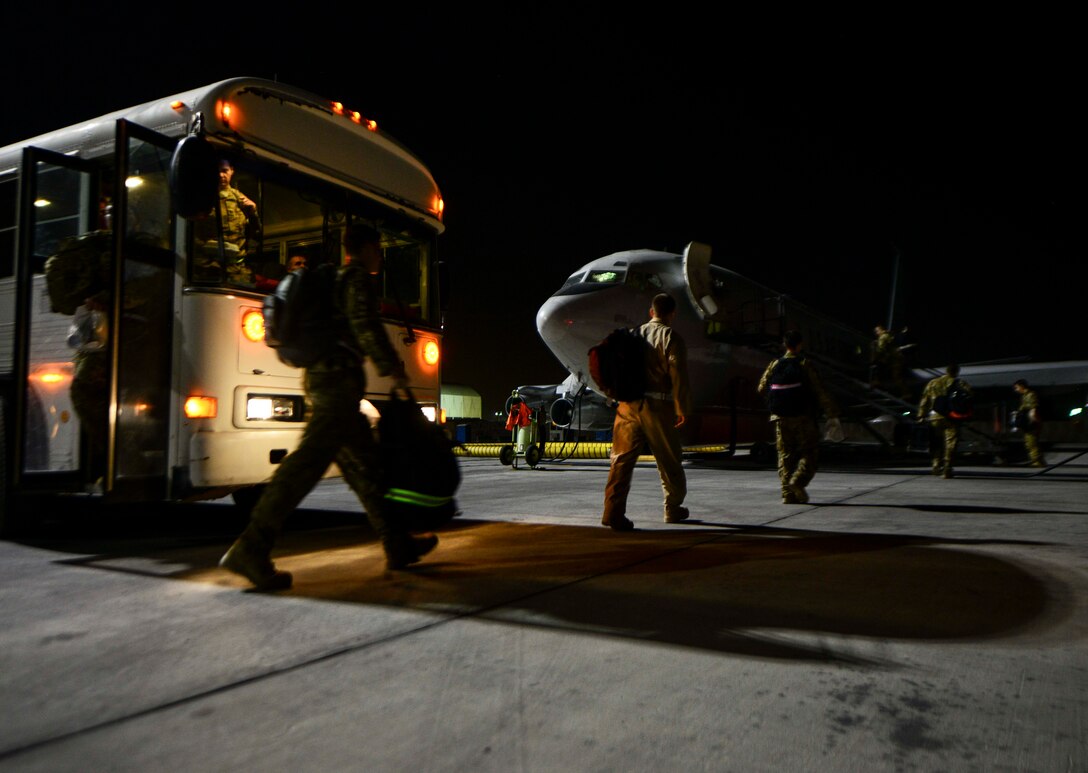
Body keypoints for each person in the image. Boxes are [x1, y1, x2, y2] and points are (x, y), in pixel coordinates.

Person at [220, 224, 437, 590]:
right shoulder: (355, 279)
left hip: (331, 383)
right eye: (378, 250)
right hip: (336, 384)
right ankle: (251, 547)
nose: (380, 257)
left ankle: (397, 542)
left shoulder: (334, 279)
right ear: (366, 249)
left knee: (367, 470)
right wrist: (393, 370)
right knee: (305, 467)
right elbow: (365, 325)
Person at [601, 293, 692, 530]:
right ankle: (672, 508)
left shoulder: (633, 334)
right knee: (669, 460)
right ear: (672, 314)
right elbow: (678, 375)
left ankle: (612, 512)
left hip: (627, 406)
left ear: (651, 312)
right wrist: (681, 407)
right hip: (657, 406)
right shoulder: (671, 337)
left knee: (620, 461)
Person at [758, 330, 840, 504]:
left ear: (784, 344)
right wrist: (831, 413)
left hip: (780, 417)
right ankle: (798, 481)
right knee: (810, 452)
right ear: (800, 345)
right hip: (803, 416)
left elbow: (761, 388)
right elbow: (820, 391)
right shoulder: (804, 364)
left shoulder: (775, 364)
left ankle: (787, 495)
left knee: (785, 456)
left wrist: (776, 401)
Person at [194, 159, 259, 282]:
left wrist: (253, 212)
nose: (221, 175)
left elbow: (255, 232)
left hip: (237, 269)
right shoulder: (203, 199)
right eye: (217, 171)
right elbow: (193, 234)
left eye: (224, 171)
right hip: (210, 268)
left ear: (231, 171)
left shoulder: (240, 198)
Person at [917, 364, 971, 478]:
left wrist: (921, 415)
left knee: (936, 441)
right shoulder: (961, 383)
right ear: (957, 372)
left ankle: (936, 465)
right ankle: (947, 467)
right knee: (951, 443)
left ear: (946, 371)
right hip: (952, 417)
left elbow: (925, 399)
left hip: (935, 416)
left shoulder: (933, 383)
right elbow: (969, 396)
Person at [1013, 379, 1046, 467]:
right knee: (1032, 442)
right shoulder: (1025, 396)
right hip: (1028, 421)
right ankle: (1040, 461)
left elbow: (1033, 409)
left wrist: (1033, 421)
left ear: (1022, 386)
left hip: (1031, 422)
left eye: (1017, 387)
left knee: (1031, 443)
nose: (1016, 390)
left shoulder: (1030, 395)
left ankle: (1036, 462)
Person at [870, 324, 907, 398]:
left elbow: (880, 349)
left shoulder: (883, 337)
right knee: (892, 375)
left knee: (896, 376)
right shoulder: (889, 335)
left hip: (894, 359)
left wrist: (875, 354)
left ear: (881, 330)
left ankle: (906, 393)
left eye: (877, 331)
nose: (876, 333)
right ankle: (879, 383)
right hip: (895, 357)